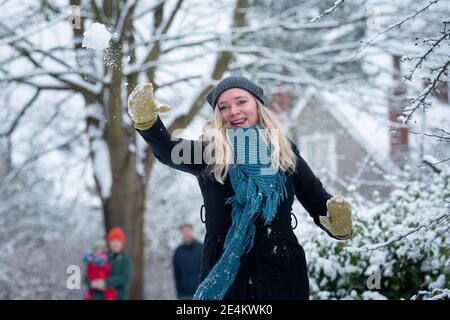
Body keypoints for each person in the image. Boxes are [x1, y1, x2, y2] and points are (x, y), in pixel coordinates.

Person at [127, 75, 353, 300]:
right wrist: (149, 123)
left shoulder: (284, 153)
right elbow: (168, 150)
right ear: (219, 116)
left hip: (283, 278)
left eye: (241, 101)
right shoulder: (210, 153)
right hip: (226, 283)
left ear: (257, 104)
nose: (233, 111)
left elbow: (318, 201)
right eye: (224, 107)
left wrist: (338, 222)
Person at [84, 227, 133, 300]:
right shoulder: (100, 258)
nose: (115, 243)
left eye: (118, 241)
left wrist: (105, 282)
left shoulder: (125, 260)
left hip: (118, 296)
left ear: (122, 243)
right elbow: (86, 276)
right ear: (109, 243)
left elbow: (126, 277)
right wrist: (92, 283)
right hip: (98, 296)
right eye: (113, 241)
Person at [173, 223, 204, 299]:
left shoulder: (202, 248)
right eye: (184, 232)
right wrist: (179, 293)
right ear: (181, 233)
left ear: (192, 232)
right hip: (184, 293)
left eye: (188, 231)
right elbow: (177, 274)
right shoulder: (178, 251)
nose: (186, 234)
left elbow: (207, 268)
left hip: (200, 291)